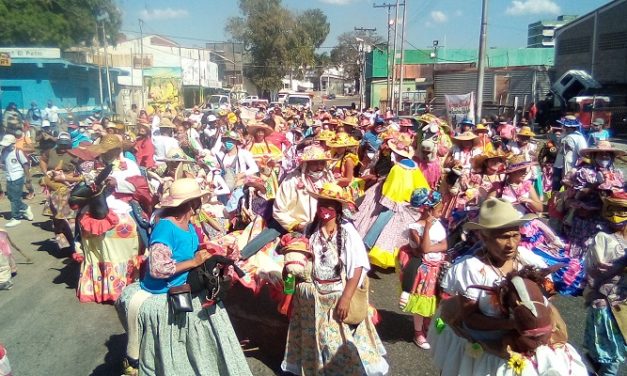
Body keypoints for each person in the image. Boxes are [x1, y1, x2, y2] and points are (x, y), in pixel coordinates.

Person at [429, 198, 588, 375]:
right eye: (503, 237)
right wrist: (513, 324)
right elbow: (470, 318)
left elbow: (548, 295)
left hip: (532, 343)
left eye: (515, 235)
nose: (511, 244)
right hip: (493, 348)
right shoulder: (471, 269)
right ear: (484, 237)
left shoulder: (528, 260)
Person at [116, 178, 252, 376]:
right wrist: (194, 262)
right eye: (197, 201)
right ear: (191, 204)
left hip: (185, 279)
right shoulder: (165, 228)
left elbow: (190, 251)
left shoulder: (189, 227)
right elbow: (157, 268)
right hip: (165, 287)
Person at [281, 182, 389, 375]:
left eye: (330, 205)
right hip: (313, 298)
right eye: (322, 203)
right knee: (315, 341)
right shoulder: (310, 229)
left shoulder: (348, 233)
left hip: (336, 296)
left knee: (335, 344)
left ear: (338, 208)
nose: (324, 209)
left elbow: (357, 267)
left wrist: (346, 299)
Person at [76, 135, 142, 303]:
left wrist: (117, 183)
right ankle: (77, 247)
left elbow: (139, 187)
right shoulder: (94, 166)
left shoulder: (130, 165)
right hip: (98, 204)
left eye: (111, 150)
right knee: (81, 221)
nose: (107, 153)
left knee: (138, 225)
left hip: (123, 205)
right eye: (105, 150)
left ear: (119, 150)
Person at [240, 145, 334, 259]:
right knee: (265, 243)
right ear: (306, 164)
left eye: (322, 163)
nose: (319, 167)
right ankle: (242, 256)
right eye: (315, 163)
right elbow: (279, 209)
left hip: (321, 224)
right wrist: (296, 225)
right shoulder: (292, 180)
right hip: (292, 224)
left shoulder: (328, 179)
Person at [583, 193, 627, 376]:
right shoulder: (602, 238)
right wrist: (621, 265)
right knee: (610, 358)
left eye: (623, 210)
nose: (617, 215)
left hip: (623, 303)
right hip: (608, 305)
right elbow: (596, 271)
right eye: (614, 209)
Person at [398, 188, 447, 350]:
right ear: (427, 210)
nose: (441, 214)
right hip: (423, 270)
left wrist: (434, 247)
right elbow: (424, 249)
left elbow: (445, 245)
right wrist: (427, 228)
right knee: (421, 301)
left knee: (435, 300)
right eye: (438, 210)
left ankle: (428, 325)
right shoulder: (415, 228)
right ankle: (418, 332)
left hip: (436, 268)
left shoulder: (439, 225)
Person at [0, 134, 33, 227]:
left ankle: (16, 217)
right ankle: (25, 208)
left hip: (18, 177)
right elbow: (2, 162)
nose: (5, 146)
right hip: (9, 177)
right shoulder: (4, 151)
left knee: (15, 199)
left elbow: (25, 164)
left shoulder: (18, 152)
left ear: (12, 144)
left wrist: (28, 178)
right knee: (10, 197)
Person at [553, 116, 587, 192]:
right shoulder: (564, 135)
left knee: (567, 189)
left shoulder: (579, 137)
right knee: (555, 188)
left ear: (569, 126)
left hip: (569, 167)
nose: (562, 127)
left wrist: (576, 168)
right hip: (558, 165)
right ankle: (553, 203)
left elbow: (583, 154)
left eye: (564, 125)